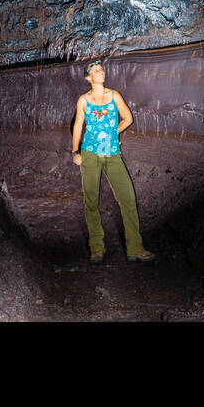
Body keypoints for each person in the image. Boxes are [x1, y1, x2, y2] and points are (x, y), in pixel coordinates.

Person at [71, 60, 156, 264]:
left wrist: (111, 133)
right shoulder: (83, 100)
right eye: (95, 70)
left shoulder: (114, 95)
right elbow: (77, 125)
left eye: (101, 69)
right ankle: (97, 248)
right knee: (91, 201)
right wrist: (75, 151)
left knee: (128, 198)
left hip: (112, 155)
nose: (100, 72)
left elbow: (128, 118)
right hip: (90, 154)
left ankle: (135, 247)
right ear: (88, 78)